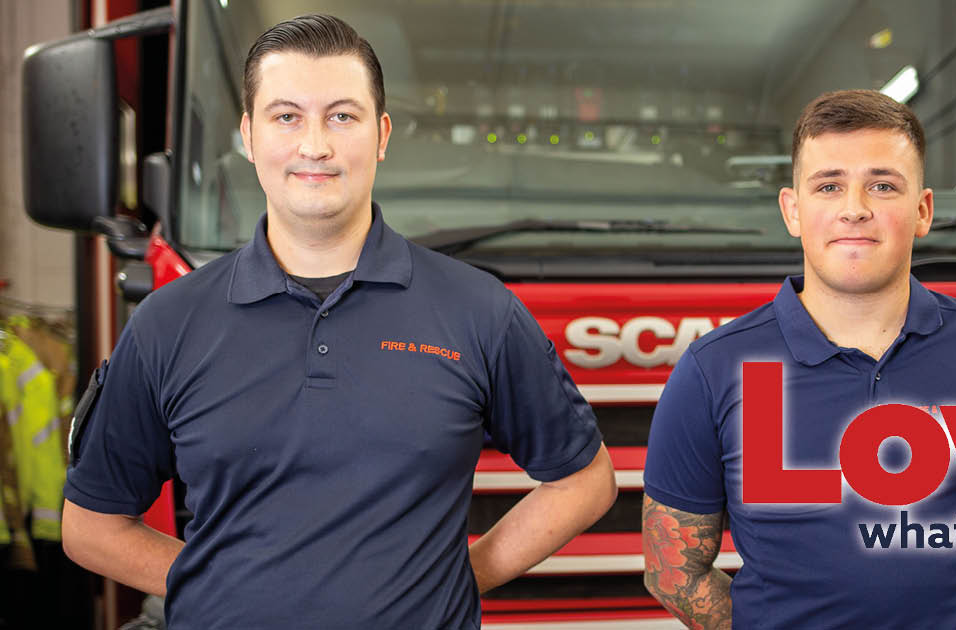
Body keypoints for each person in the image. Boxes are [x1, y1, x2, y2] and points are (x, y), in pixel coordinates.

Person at [61, 14, 616, 629]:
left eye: (342, 116)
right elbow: (92, 525)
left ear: (381, 135)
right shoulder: (169, 323)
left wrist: (456, 577)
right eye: (286, 116)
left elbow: (584, 482)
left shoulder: (479, 311)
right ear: (248, 135)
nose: (315, 145)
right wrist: (226, 588)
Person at [641, 89, 956, 629]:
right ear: (793, 210)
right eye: (829, 185)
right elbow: (674, 572)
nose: (855, 208)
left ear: (922, 210)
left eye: (882, 185)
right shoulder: (712, 370)